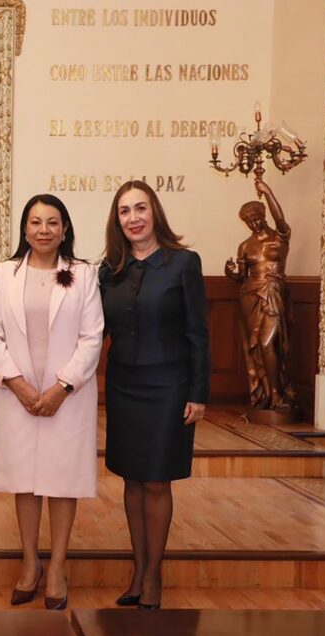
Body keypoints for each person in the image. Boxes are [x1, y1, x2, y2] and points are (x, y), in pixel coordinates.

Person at [0, 194, 103, 610]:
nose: (44, 230)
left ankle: (58, 568)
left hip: (67, 398)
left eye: (52, 222)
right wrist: (17, 385)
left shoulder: (83, 274)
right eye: (35, 222)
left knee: (62, 479)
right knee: (25, 481)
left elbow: (92, 337)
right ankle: (30, 563)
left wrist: (61, 388)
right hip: (17, 396)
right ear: (25, 228)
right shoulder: (5, 273)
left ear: (65, 228)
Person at [100, 180, 210, 610]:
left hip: (169, 387)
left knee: (157, 480)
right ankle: (137, 570)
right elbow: (94, 331)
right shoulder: (109, 270)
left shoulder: (183, 263)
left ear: (155, 212)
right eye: (125, 211)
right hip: (123, 386)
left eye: (140, 208)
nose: (134, 218)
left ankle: (153, 575)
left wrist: (198, 392)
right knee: (131, 478)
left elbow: (198, 332)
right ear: (117, 220)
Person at [224, 178, 294, 410]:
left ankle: (277, 393)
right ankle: (267, 392)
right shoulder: (245, 246)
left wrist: (268, 191)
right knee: (256, 345)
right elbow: (242, 277)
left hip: (274, 293)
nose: (253, 224)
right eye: (248, 222)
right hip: (250, 296)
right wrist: (231, 273)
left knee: (267, 342)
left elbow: (280, 218)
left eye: (256, 219)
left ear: (264, 216)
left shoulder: (280, 236)